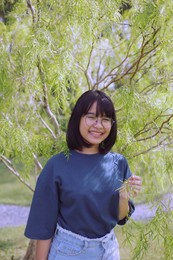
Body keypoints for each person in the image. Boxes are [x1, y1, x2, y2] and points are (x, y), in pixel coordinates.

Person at [24, 90, 142, 260]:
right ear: (77, 119)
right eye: (91, 117)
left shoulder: (119, 163)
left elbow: (120, 217)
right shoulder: (56, 166)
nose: (99, 125)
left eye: (105, 119)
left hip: (108, 251)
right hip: (69, 252)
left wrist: (123, 197)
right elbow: (44, 226)